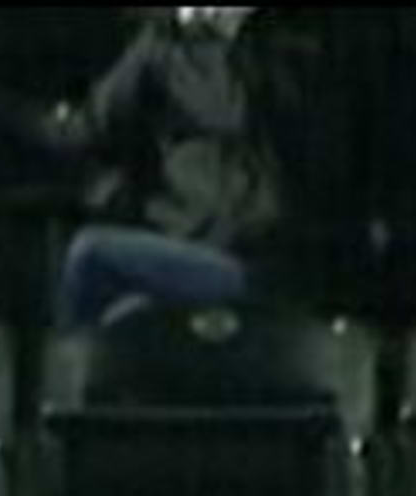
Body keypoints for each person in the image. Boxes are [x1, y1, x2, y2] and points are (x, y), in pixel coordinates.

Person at [56, 5, 354, 327]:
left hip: (258, 262)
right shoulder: (165, 48)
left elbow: (253, 113)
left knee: (91, 256)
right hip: (190, 247)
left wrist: (228, 35)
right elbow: (87, 130)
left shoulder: (283, 54)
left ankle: (70, 371)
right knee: (121, 310)